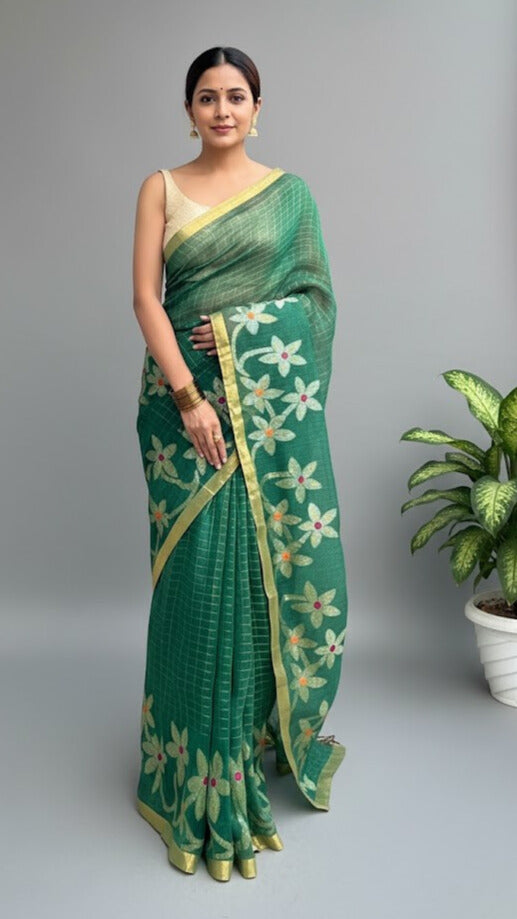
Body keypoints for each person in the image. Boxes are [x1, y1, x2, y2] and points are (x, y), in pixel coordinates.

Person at [132, 45, 349, 883]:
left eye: (235, 96)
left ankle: (240, 751)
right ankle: (189, 770)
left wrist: (237, 335)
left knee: (253, 580)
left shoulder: (290, 196)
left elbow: (315, 305)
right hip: (180, 408)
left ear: (257, 108)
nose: (221, 109)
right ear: (187, 109)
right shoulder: (160, 187)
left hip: (263, 408)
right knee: (195, 581)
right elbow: (146, 299)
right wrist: (190, 397)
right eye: (205, 96)